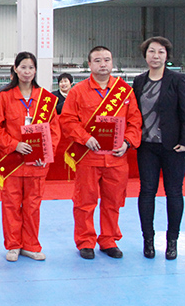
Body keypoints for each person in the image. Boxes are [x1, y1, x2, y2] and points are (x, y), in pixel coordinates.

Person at [60, 46, 142, 260]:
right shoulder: (78, 91)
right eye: (97, 60)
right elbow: (67, 120)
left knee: (113, 201)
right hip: (88, 157)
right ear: (89, 64)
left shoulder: (125, 91)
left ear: (112, 63)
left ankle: (108, 240)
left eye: (107, 60)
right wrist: (85, 138)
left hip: (117, 158)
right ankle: (85, 241)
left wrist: (127, 142)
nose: (103, 64)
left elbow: (135, 121)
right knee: (84, 202)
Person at [0, 52, 61, 262]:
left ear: (36, 70)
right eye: (23, 67)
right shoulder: (4, 97)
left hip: (36, 164)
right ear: (15, 69)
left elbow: (54, 131)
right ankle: (13, 245)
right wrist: (15, 145)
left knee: (32, 205)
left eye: (31, 68)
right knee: (11, 205)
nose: (27, 72)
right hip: (12, 162)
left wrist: (46, 153)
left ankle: (30, 245)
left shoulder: (45, 99)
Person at [132, 36, 185, 260]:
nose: (156, 56)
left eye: (160, 52)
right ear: (145, 55)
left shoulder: (177, 79)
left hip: (173, 147)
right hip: (147, 147)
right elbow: (133, 113)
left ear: (167, 56)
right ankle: (148, 240)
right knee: (147, 191)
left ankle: (172, 241)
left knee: (174, 192)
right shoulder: (139, 81)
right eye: (151, 51)